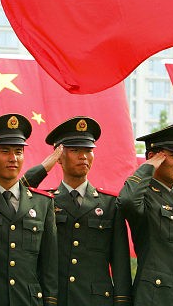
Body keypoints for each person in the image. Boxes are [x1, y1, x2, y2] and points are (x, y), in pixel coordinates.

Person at [21, 116, 132, 305]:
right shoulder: (44, 201)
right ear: (59, 157)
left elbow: (120, 264)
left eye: (89, 150)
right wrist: (44, 168)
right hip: (56, 299)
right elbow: (16, 193)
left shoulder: (110, 204)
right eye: (75, 150)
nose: (83, 156)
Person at [0, 113, 58, 306]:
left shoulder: (42, 203)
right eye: (5, 151)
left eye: (19, 152)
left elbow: (49, 268)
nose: (13, 158)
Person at [117, 121, 173, 306]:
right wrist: (148, 166)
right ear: (154, 157)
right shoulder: (145, 195)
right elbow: (127, 201)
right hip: (155, 298)